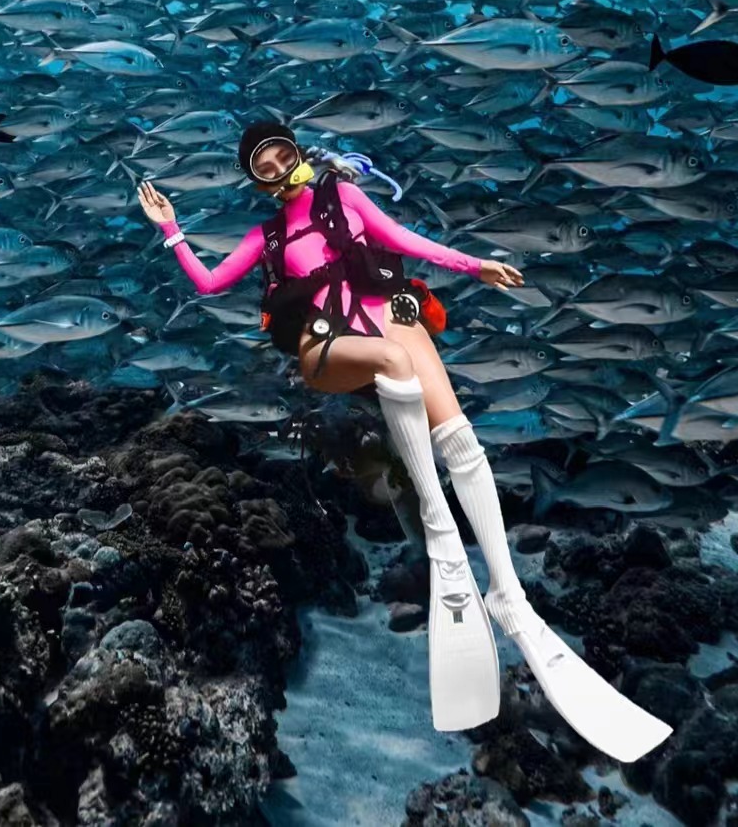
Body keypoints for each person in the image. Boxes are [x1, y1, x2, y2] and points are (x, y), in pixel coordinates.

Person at [136, 120, 673, 763]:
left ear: (300, 154)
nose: (278, 170)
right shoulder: (267, 235)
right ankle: (444, 541)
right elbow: (210, 285)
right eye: (264, 166)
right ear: (255, 180)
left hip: (389, 313)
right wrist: (172, 228)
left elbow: (404, 241)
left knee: (462, 439)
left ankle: (508, 594)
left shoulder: (348, 198)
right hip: (327, 345)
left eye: (283, 156)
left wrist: (476, 266)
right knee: (393, 362)